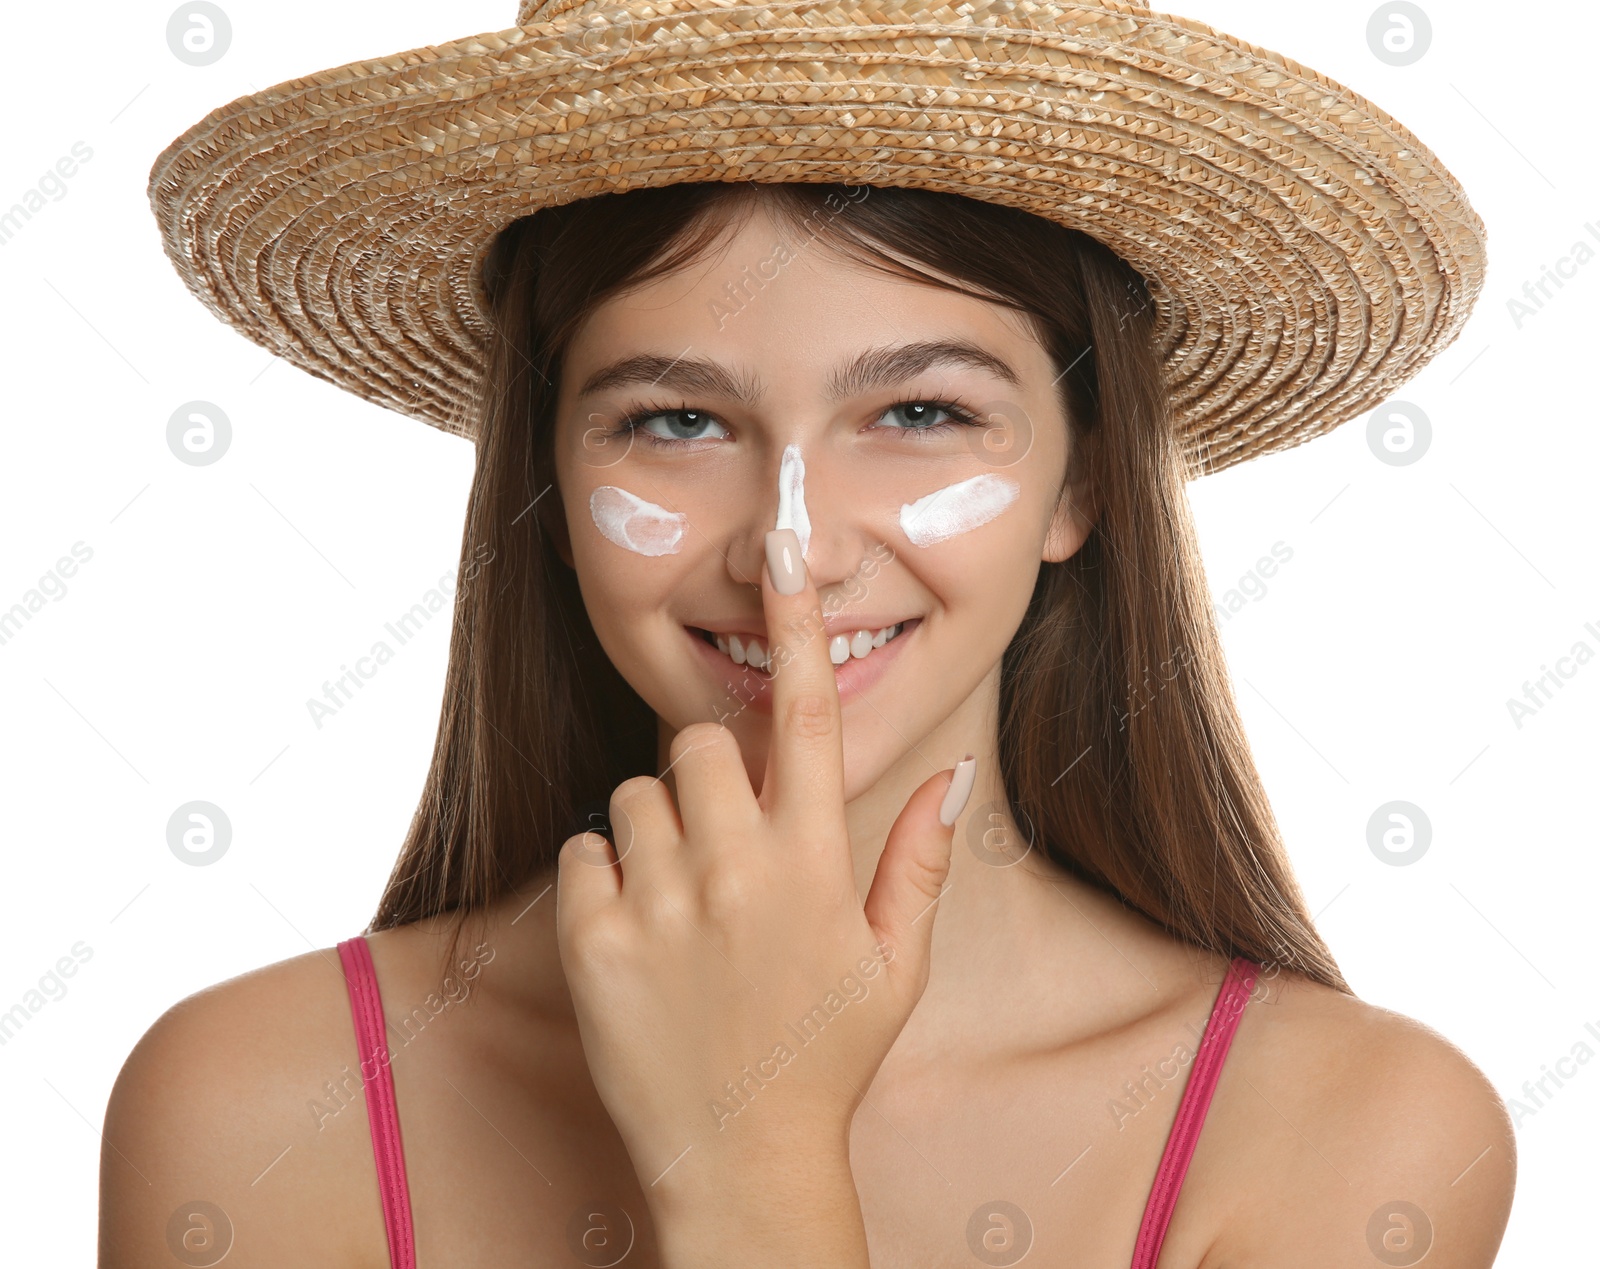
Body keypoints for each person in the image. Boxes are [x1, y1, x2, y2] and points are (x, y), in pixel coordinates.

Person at [108, 3, 1513, 1265]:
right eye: (674, 420)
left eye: (918, 414)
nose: (792, 545)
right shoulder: (255, 1106)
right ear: (544, 484)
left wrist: (750, 1162)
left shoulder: (1353, 1135)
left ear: (1083, 479)